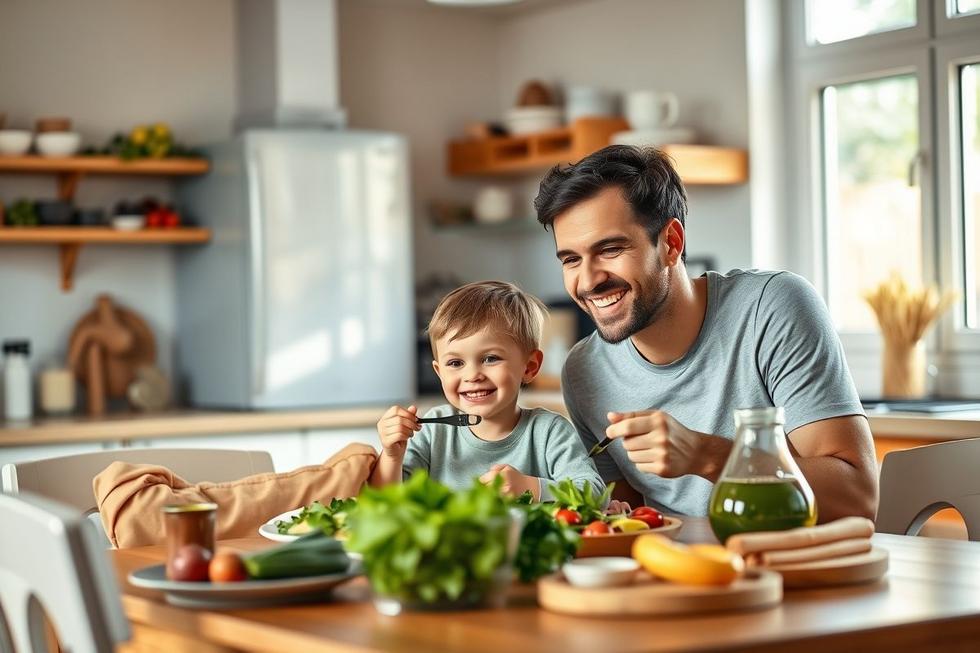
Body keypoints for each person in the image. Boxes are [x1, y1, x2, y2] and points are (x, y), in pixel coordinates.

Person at [533, 145, 879, 522]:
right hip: (676, 570)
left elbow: (857, 496)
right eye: (571, 259)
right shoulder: (584, 370)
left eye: (611, 249)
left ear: (671, 243)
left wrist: (706, 455)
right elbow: (628, 518)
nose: (588, 280)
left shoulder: (772, 308)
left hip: (788, 566)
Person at [371, 280, 605, 501]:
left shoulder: (549, 432)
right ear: (439, 371)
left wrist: (533, 487)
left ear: (530, 367)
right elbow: (386, 502)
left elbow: (594, 493)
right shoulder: (429, 432)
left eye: (490, 359)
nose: (472, 375)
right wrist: (392, 455)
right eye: (455, 363)